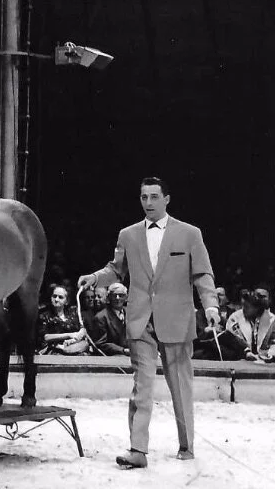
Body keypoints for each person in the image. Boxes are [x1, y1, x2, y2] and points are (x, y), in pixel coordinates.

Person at [78, 176, 220, 468]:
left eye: (154, 197)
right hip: (141, 320)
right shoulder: (128, 234)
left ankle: (186, 445)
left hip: (177, 319)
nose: (148, 203)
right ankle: (138, 450)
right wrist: (94, 278)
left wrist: (211, 306)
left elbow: (203, 275)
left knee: (180, 386)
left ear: (167, 199)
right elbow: (115, 271)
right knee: (141, 387)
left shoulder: (190, 234)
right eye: (144, 197)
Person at [37, 284, 89, 355]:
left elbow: (83, 329)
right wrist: (69, 335)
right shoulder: (43, 315)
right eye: (54, 296)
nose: (56, 299)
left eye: (60, 297)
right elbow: (45, 337)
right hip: (54, 349)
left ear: (66, 301)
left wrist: (76, 337)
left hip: (74, 346)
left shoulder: (73, 311)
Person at [93, 282, 130, 356]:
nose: (117, 298)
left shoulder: (131, 313)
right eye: (114, 295)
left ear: (126, 297)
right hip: (114, 357)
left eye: (121, 295)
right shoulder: (101, 317)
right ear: (109, 297)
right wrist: (123, 350)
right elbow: (100, 343)